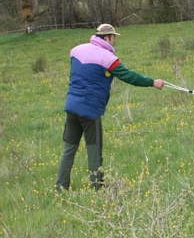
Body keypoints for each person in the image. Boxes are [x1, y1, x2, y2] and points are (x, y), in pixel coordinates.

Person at [55, 23, 165, 192]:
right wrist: (152, 82)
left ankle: (60, 188)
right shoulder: (107, 58)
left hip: (71, 106)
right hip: (90, 111)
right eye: (114, 38)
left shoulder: (76, 51)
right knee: (94, 151)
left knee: (69, 149)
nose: (114, 42)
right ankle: (99, 190)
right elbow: (129, 76)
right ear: (106, 38)